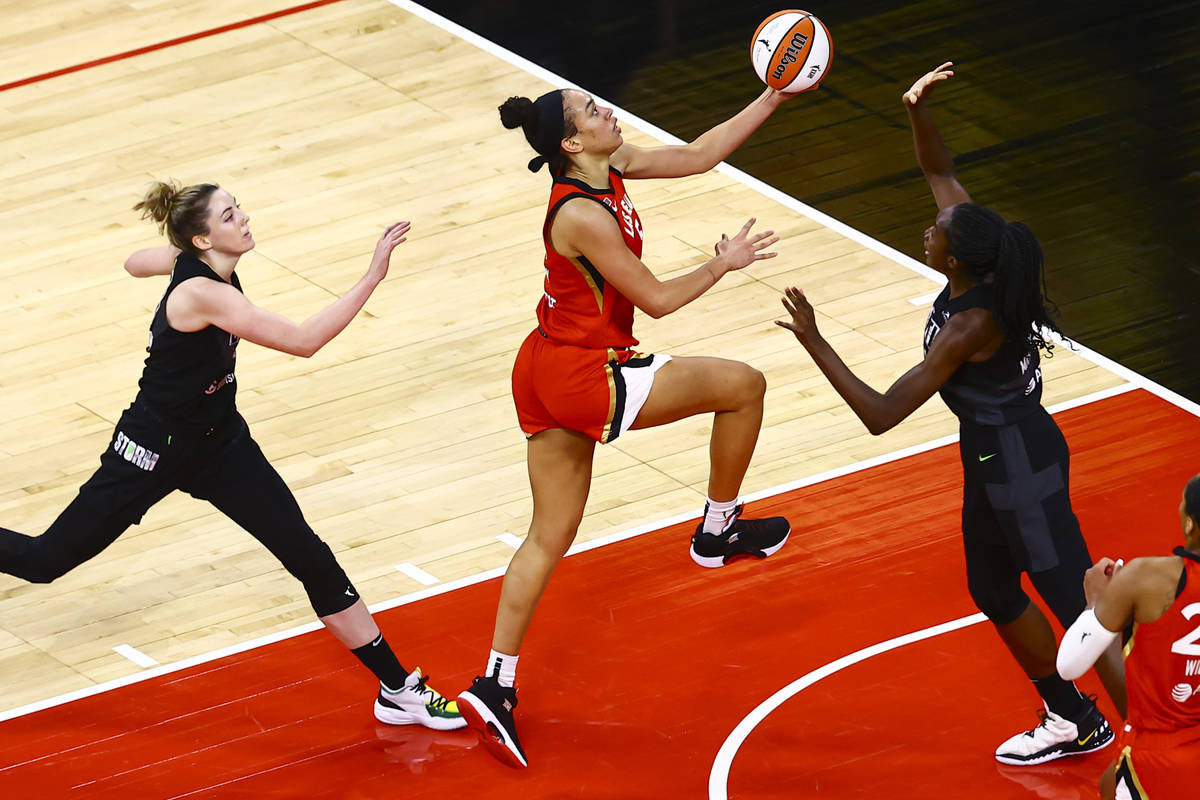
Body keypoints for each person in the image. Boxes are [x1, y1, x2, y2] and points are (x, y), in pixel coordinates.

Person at [0, 181, 464, 732]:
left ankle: (397, 690)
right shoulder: (203, 293)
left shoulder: (195, 261)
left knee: (308, 555)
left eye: (237, 205)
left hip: (219, 442)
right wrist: (372, 275)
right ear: (204, 237)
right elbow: (304, 340)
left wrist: (171, 255)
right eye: (229, 214)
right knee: (45, 561)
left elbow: (132, 262)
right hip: (153, 447)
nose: (243, 217)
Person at [776, 62, 1126, 764]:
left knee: (1084, 608)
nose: (927, 227)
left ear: (956, 259)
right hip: (994, 453)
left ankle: (1164, 737)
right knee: (993, 588)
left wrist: (815, 340)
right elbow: (940, 172)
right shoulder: (979, 254)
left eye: (935, 231)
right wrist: (915, 112)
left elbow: (881, 414)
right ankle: (1072, 719)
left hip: (1020, 460)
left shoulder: (970, 325)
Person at [456, 85, 797, 768]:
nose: (606, 110)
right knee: (745, 387)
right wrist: (723, 263)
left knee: (547, 537)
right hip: (586, 373)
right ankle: (717, 528)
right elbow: (660, 300)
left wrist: (773, 94)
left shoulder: (609, 169)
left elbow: (700, 156)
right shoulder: (583, 215)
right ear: (571, 143)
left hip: (544, 366)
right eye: (591, 111)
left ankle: (495, 682)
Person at [1057, 474, 1200, 799]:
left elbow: (1068, 666)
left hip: (1158, 757)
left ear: (1190, 524)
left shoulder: (1146, 578)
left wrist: (1096, 603)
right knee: (1109, 782)